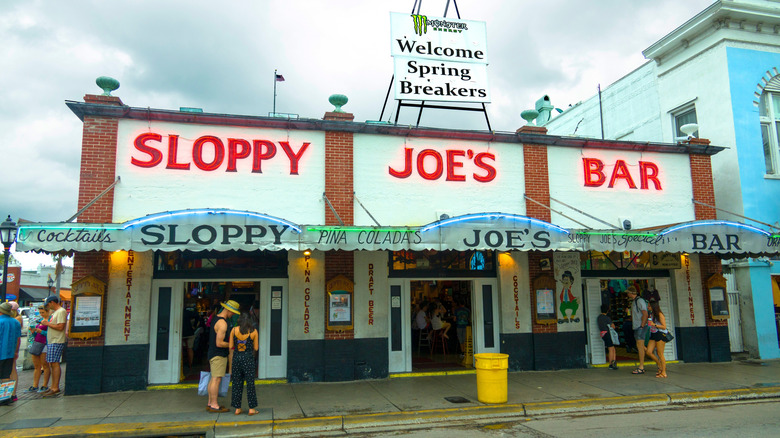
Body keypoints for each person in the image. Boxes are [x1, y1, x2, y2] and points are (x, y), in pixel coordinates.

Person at [207, 300, 240, 413]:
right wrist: (232, 344)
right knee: (216, 379)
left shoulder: (216, 318)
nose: (233, 314)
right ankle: (214, 405)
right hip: (218, 354)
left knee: (213, 378)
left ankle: (210, 402)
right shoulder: (223, 323)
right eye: (233, 312)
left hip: (213, 353)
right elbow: (219, 343)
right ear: (229, 310)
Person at [229, 312, 259, 416]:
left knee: (237, 383)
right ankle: (251, 409)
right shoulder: (254, 331)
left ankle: (237, 408)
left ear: (239, 320)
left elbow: (231, 346)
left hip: (237, 358)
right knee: (250, 384)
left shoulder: (233, 330)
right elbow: (256, 348)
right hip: (248, 359)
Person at [41, 295, 67, 397]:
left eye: (48, 304)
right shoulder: (56, 312)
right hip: (52, 340)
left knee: (54, 363)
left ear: (52, 302)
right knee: (52, 363)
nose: (48, 306)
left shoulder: (61, 311)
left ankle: (55, 387)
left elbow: (60, 327)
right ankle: (53, 386)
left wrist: (47, 324)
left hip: (57, 340)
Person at [0, 302, 21, 406]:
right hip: (9, 353)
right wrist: (16, 351)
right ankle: (6, 397)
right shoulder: (15, 322)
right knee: (6, 375)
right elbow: (18, 339)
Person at [28, 305, 51, 393]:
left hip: (45, 343)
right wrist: (33, 332)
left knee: (45, 365)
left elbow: (51, 333)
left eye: (43, 312)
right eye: (40, 312)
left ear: (48, 311)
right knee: (37, 366)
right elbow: (36, 335)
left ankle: (45, 385)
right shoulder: (40, 320)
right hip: (37, 342)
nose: (41, 314)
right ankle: (35, 385)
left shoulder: (50, 321)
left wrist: (42, 331)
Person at [626, 286, 649, 375]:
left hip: (640, 327)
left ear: (631, 293)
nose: (627, 294)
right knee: (642, 347)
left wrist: (642, 325)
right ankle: (658, 362)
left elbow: (645, 313)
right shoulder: (634, 302)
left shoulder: (639, 301)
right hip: (637, 326)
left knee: (640, 347)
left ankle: (641, 367)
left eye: (628, 292)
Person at [645, 301, 669, 378]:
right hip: (653, 334)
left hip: (660, 334)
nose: (648, 307)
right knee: (648, 352)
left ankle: (664, 372)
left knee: (660, 354)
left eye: (649, 306)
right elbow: (650, 324)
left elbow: (664, 327)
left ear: (653, 307)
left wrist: (654, 324)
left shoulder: (660, 314)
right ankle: (659, 365)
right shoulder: (651, 314)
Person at [7, 302, 23, 402]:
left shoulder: (16, 320)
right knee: (12, 369)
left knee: (10, 370)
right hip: (11, 347)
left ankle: (10, 394)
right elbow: (18, 338)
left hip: (8, 348)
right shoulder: (16, 320)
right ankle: (12, 394)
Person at [597, 304, 618, 370]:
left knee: (612, 348)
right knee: (611, 348)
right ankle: (611, 364)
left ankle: (613, 362)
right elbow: (613, 326)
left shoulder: (599, 317)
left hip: (603, 334)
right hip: (608, 333)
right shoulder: (607, 318)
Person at [182, 306, 197, 370]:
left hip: (181, 333)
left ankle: (181, 364)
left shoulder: (177, 312)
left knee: (180, 349)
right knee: (190, 348)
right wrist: (194, 325)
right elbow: (197, 316)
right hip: (190, 332)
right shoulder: (188, 312)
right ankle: (190, 364)